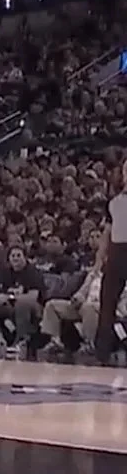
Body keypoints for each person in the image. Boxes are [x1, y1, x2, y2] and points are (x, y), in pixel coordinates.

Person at [95, 156, 127, 365]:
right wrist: (99, 259)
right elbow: (106, 233)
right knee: (107, 303)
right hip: (117, 253)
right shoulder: (113, 202)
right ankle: (102, 353)